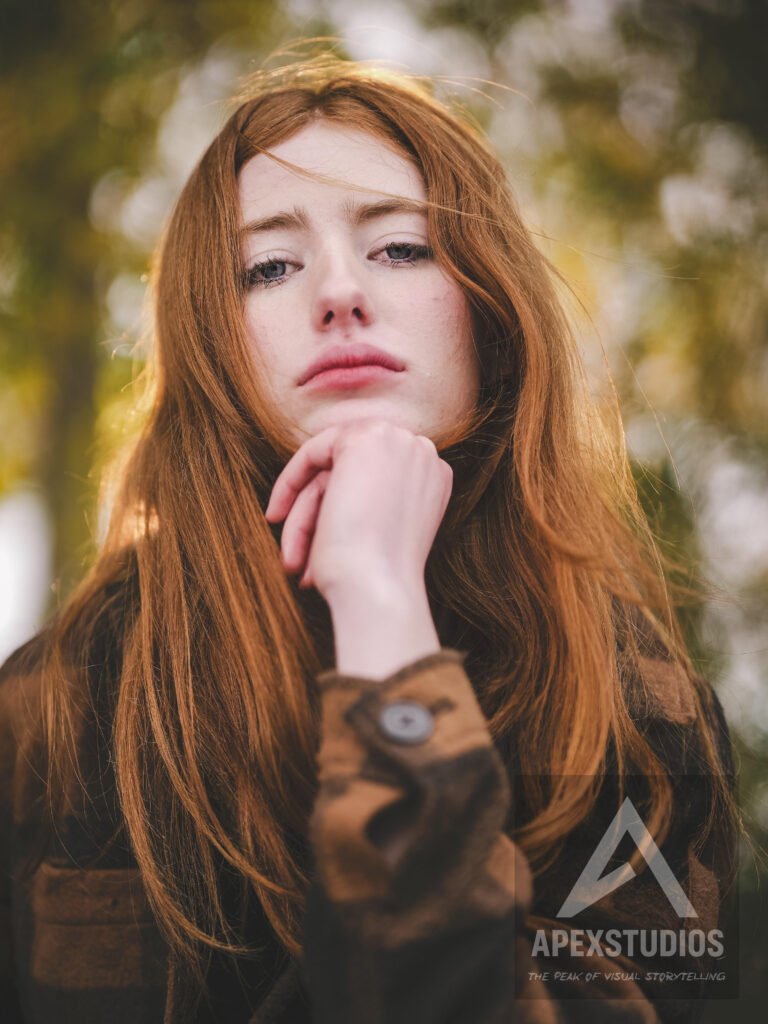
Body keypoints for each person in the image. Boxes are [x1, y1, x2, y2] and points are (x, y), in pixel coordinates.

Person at [0, 55, 739, 1023]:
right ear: (211, 345)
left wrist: (383, 603)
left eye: (399, 247)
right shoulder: (49, 709)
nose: (339, 294)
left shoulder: (643, 712)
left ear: (490, 309)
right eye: (269, 265)